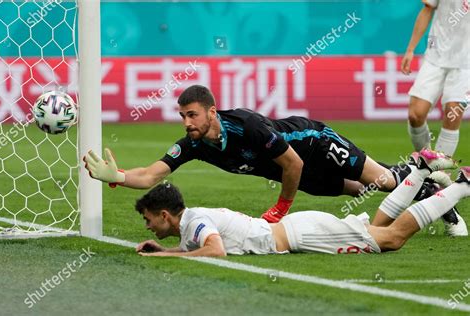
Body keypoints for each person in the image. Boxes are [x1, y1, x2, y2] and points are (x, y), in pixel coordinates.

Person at [83, 85, 464, 233]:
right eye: (182, 116)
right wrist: (113, 174)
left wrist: (281, 207)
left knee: (382, 183)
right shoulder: (194, 144)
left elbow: (292, 164)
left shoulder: (248, 125)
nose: (186, 123)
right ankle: (429, 188)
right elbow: (151, 175)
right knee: (360, 189)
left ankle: (420, 162)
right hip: (298, 168)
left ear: (212, 112)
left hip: (312, 143)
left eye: (192, 115)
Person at [133, 150, 469, 257]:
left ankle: (461, 187)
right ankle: (420, 170)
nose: (148, 226)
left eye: (149, 220)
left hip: (303, 237)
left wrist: (164, 256)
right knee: (377, 230)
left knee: (392, 238)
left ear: (165, 214)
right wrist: (168, 251)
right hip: (297, 229)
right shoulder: (191, 222)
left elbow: (216, 250)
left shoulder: (194, 222)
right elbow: (199, 244)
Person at [401, 0, 469, 156]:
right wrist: (410, 49)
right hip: (435, 57)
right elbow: (427, 9)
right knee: (415, 115)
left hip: (465, 63)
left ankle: (439, 172)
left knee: (452, 114)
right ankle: (426, 162)